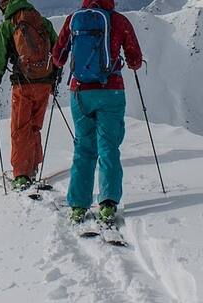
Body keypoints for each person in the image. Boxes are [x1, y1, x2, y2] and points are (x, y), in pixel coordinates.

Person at [51, 0, 144, 225]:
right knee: (108, 147)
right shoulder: (120, 21)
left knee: (83, 148)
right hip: (111, 92)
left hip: (81, 93)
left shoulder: (73, 20)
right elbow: (135, 60)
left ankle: (78, 206)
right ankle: (108, 203)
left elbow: (58, 57)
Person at [0, 0, 58, 192]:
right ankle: (32, 166)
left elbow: (0, 57)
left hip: (23, 84)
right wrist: (54, 75)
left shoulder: (8, 26)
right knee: (35, 126)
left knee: (19, 129)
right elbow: (58, 50)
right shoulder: (42, 22)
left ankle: (21, 175)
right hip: (45, 82)